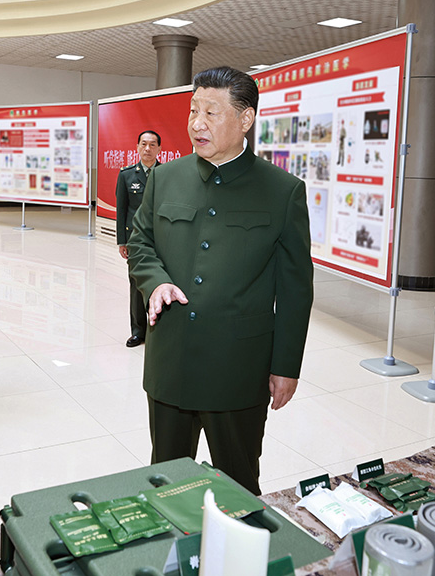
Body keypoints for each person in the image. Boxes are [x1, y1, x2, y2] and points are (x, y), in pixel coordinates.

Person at [127, 66, 313, 496]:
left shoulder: (282, 191)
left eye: (211, 113)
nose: (197, 123)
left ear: (246, 119)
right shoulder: (165, 177)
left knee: (239, 485)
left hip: (238, 371)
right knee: (166, 482)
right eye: (194, 110)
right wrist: (154, 282)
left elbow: (295, 289)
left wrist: (286, 366)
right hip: (171, 362)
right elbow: (141, 242)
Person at [116, 130, 161, 348]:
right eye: (144, 144)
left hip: (162, 238)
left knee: (161, 283)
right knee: (136, 286)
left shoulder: (167, 173)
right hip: (136, 239)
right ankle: (138, 331)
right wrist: (122, 240)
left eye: (153, 145)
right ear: (137, 147)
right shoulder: (126, 175)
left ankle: (158, 330)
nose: (148, 149)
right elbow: (122, 209)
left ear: (159, 149)